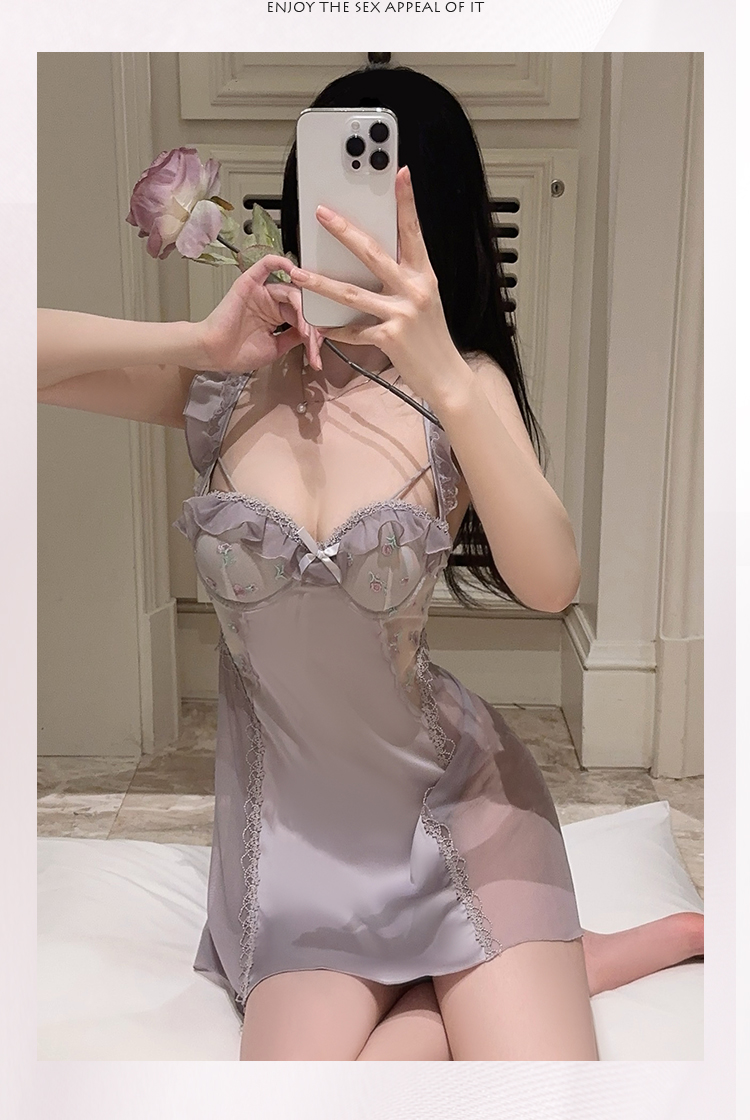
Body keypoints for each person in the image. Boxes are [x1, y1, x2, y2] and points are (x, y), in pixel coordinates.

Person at [37, 63, 703, 1061]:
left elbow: (552, 583)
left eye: (388, 199)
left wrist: (445, 374)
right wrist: (199, 336)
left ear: (436, 215)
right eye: (329, 186)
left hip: (463, 815)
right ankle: (551, 964)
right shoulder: (226, 386)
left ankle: (559, 950)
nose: (349, 223)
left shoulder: (462, 388)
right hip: (300, 857)